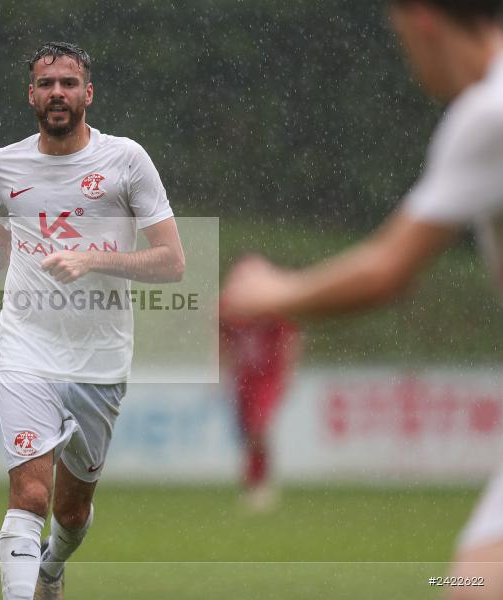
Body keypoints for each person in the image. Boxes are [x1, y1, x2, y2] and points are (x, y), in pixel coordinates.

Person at [220, 0, 503, 597]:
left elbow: (387, 268)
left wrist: (277, 290)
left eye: (400, 37)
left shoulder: (487, 115)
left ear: (423, 21)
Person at [0, 42, 185, 600]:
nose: (57, 93)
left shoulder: (126, 160)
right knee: (30, 497)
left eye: (68, 83)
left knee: (71, 510)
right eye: (46, 84)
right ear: (31, 95)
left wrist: (94, 258)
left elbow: (172, 261)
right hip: (26, 347)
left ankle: (52, 567)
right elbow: (6, 236)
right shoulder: (5, 163)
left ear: (88, 94)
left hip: (101, 358)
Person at [220, 314, 300, 512]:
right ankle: (254, 479)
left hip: (267, 378)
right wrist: (223, 371)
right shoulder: (231, 310)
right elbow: (223, 340)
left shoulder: (272, 309)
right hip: (243, 377)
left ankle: (260, 483)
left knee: (259, 427)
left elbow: (291, 339)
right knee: (247, 432)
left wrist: (289, 372)